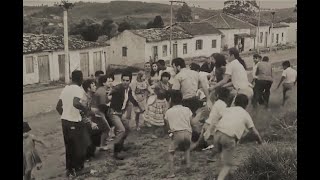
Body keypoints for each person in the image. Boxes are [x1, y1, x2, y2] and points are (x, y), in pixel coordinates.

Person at [209, 94, 263, 180]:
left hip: (218, 133)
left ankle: (219, 174)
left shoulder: (227, 109)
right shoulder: (245, 114)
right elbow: (254, 132)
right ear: (246, 105)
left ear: (234, 102)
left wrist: (211, 130)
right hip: (229, 137)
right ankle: (220, 178)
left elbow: (216, 118)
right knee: (228, 164)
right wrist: (260, 141)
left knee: (220, 154)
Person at [56, 70, 96, 177]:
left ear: (71, 78)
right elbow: (76, 103)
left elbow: (58, 107)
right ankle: (78, 169)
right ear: (80, 79)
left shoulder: (66, 88)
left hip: (64, 121)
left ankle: (69, 170)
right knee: (80, 145)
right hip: (74, 121)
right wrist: (86, 110)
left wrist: (65, 115)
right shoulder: (78, 89)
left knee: (69, 146)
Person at [108, 71, 143, 160]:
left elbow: (131, 98)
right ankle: (116, 152)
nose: (125, 82)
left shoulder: (129, 89)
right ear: (121, 80)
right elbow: (112, 91)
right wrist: (108, 92)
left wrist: (139, 106)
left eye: (127, 80)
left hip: (120, 113)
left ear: (130, 81)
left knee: (127, 129)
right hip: (113, 113)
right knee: (121, 130)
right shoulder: (118, 88)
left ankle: (121, 146)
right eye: (123, 80)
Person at [191, 87, 230, 152]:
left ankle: (200, 143)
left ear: (217, 95)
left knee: (199, 142)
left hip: (207, 126)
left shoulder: (218, 103)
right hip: (210, 127)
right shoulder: (222, 104)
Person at [164, 90, 193, 178]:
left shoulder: (168, 112)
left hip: (177, 133)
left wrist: (170, 131)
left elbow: (167, 126)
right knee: (187, 149)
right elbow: (191, 121)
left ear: (171, 100)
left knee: (171, 152)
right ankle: (188, 166)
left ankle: (171, 173)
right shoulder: (187, 109)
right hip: (188, 133)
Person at [82, 79, 110, 158]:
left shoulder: (91, 96)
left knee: (104, 128)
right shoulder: (84, 99)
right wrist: (91, 122)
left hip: (91, 117)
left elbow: (89, 109)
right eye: (93, 86)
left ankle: (99, 146)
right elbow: (83, 113)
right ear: (88, 88)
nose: (95, 87)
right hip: (84, 121)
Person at [94, 73, 115, 145]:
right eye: (107, 81)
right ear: (104, 83)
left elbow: (105, 101)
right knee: (106, 129)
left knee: (105, 128)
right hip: (98, 111)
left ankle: (103, 143)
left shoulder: (101, 89)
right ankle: (102, 145)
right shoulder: (102, 91)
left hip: (98, 111)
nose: (109, 83)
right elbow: (102, 105)